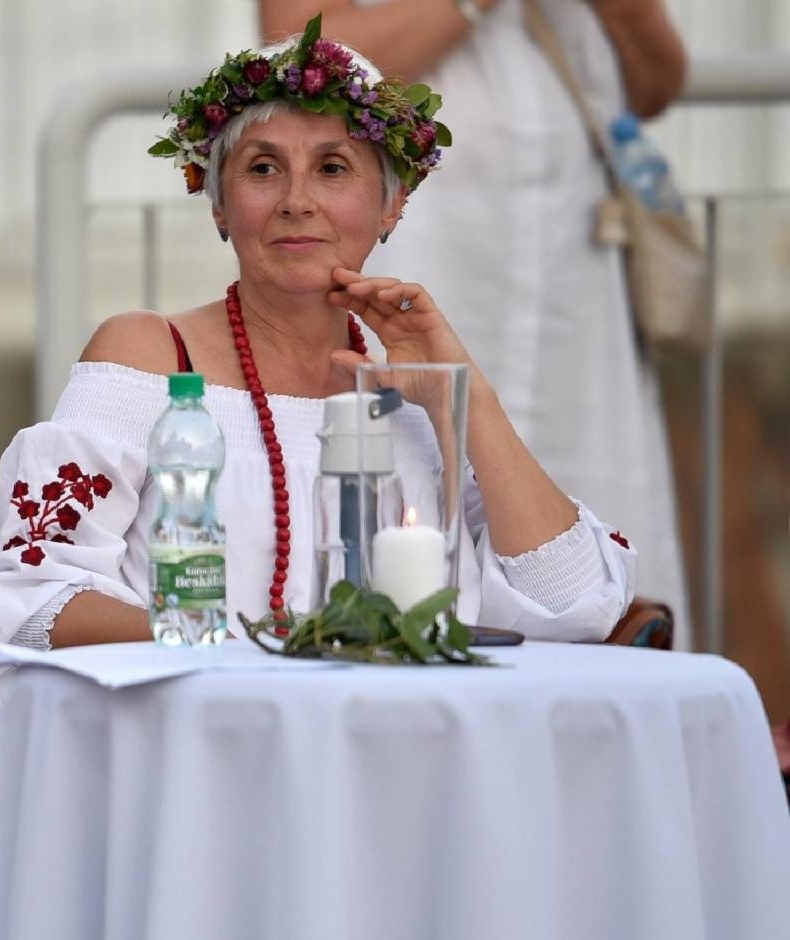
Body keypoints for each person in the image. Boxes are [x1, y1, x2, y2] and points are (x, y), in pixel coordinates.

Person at [0, 21, 637, 710]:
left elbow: (576, 601)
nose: (296, 200)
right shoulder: (150, 358)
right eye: (262, 168)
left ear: (392, 205)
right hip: (194, 749)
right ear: (219, 205)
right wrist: (253, 657)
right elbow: (34, 598)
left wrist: (463, 394)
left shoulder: (415, 396)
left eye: (332, 167)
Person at [261, 0, 691, 643]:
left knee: (593, 500)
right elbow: (295, 54)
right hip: (427, 252)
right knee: (419, 475)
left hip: (572, 286)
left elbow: (657, 86)